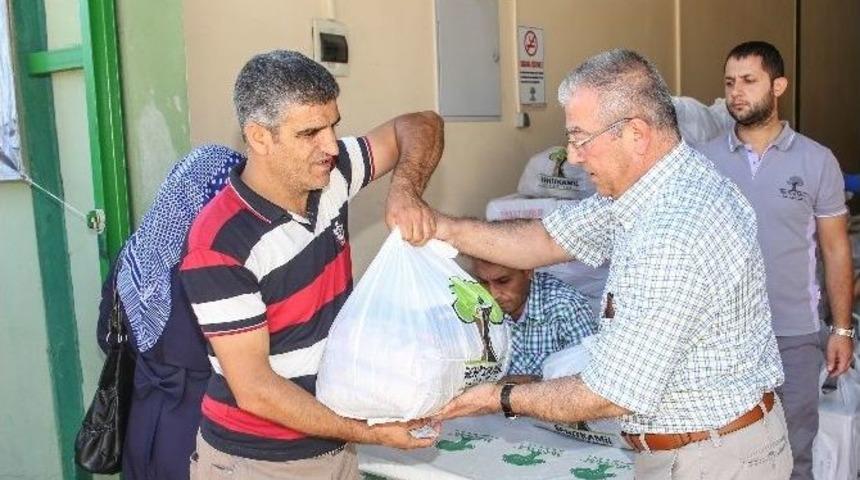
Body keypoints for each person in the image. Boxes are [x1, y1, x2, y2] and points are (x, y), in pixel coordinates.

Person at [432, 49, 792, 478]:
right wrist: (442, 228)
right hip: (702, 446)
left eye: (581, 139)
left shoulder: (672, 230)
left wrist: (497, 397)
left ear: (636, 134)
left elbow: (609, 392)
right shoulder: (650, 188)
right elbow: (545, 238)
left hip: (710, 458)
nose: (573, 156)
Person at [178, 50, 443, 479]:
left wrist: (406, 190)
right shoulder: (221, 245)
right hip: (256, 464)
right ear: (259, 137)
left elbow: (420, 124)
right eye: (310, 132)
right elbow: (257, 391)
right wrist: (373, 433)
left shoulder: (330, 174)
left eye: (334, 124)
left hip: (334, 446)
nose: (331, 145)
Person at [698, 41, 854, 480]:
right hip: (722, 338)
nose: (736, 93)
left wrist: (841, 329)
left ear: (778, 85)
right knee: (725, 453)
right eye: (730, 82)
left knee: (794, 451)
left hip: (794, 334)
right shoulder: (703, 161)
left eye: (749, 81)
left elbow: (836, 249)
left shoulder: (816, 159)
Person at [96, 144, 245, 480]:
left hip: (141, 425)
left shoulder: (135, 251)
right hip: (202, 437)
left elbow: (107, 336)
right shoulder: (215, 267)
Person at [469, 256, 595, 383]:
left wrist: (520, 387)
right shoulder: (476, 307)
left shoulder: (566, 306)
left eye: (503, 281)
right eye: (484, 282)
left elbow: (589, 381)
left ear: (528, 271)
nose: (494, 294)